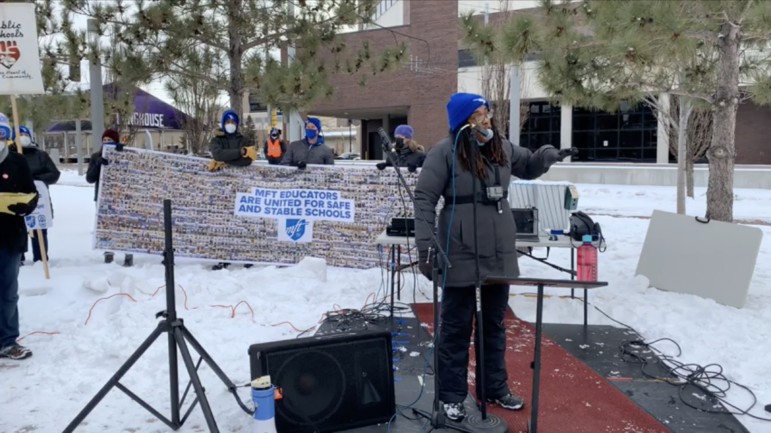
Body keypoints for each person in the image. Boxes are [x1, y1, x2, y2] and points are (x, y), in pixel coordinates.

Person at [413, 93, 575, 422]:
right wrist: (426, 247)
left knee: (494, 326)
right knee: (456, 328)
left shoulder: (500, 146)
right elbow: (425, 198)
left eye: (486, 112)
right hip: (460, 252)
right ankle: (451, 395)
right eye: (477, 115)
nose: (485, 119)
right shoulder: (443, 152)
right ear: (461, 121)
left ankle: (494, 387)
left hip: (499, 253)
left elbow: (528, 164)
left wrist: (548, 155)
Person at [0, 115, 38, 360]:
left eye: (1, 134)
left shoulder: (18, 161)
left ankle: (7, 340)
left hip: (9, 237)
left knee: (7, 291)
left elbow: (31, 194)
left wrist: (25, 206)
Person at [208, 109, 257, 270]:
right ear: (223, 123)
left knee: (244, 222)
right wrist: (239, 153)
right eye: (227, 122)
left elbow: (247, 161)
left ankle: (246, 255)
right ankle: (223, 257)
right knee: (223, 223)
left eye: (233, 122)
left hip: (243, 187)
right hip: (222, 189)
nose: (230, 125)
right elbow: (217, 154)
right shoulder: (216, 140)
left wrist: (226, 159)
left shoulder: (245, 139)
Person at [12, 126, 60, 264]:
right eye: (19, 134)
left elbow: (54, 174)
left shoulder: (41, 155)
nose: (22, 136)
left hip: (38, 201)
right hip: (16, 199)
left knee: (39, 230)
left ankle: (41, 258)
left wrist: (36, 178)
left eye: (24, 134)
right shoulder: (9, 155)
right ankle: (17, 258)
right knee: (17, 229)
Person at [86, 128, 134, 267]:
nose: (107, 143)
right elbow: (89, 178)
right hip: (103, 197)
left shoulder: (123, 153)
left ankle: (128, 254)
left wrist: (122, 154)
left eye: (110, 140)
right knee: (106, 226)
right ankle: (108, 254)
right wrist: (97, 164)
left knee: (124, 225)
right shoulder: (96, 156)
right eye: (104, 140)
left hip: (122, 197)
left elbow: (130, 173)